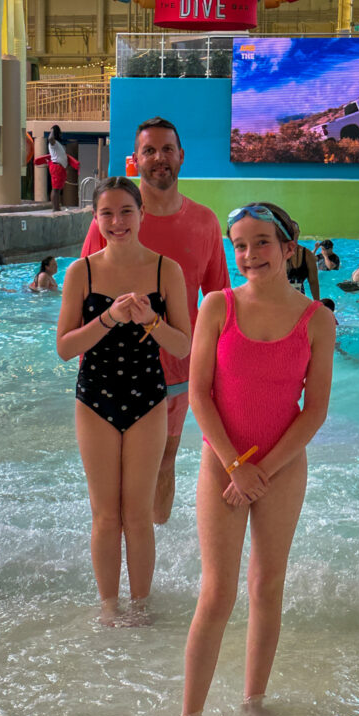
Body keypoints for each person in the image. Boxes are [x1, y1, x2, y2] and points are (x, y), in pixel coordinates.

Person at [159, 202, 335, 716]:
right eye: (239, 244)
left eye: (261, 243)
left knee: (267, 585)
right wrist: (236, 465)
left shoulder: (317, 320)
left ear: (288, 248)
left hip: (281, 467)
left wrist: (263, 470)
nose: (248, 255)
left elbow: (315, 411)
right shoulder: (217, 307)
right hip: (222, 464)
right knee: (218, 590)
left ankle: (253, 700)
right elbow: (200, 395)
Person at [81, 117, 229, 524]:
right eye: (149, 150)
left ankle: (152, 549)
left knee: (164, 462)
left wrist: (224, 369)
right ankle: (122, 554)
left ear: (181, 156)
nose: (159, 158)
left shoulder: (205, 222)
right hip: (112, 370)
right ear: (134, 160)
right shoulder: (109, 222)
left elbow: (219, 303)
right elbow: (83, 296)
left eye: (167, 149)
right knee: (114, 474)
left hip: (178, 371)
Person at [58, 177, 191, 626]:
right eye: (107, 214)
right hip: (94, 397)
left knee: (137, 514)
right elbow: (65, 346)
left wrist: (151, 320)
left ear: (142, 214)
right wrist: (110, 317)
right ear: (96, 220)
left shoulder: (164, 270)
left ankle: (141, 607)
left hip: (148, 398)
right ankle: (109, 607)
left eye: (126, 212)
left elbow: (183, 347)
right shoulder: (83, 272)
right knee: (105, 514)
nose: (117, 222)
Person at [34, 124, 80, 212]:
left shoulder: (57, 144)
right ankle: (55, 208)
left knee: (58, 189)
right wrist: (52, 130)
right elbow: (50, 138)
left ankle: (57, 207)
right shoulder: (53, 143)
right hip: (56, 167)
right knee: (55, 189)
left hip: (60, 168)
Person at [286, 223, 320, 299]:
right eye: (290, 232)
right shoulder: (278, 253)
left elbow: (313, 282)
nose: (293, 236)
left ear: (298, 234)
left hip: (299, 299)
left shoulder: (307, 255)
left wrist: (317, 303)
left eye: (295, 233)